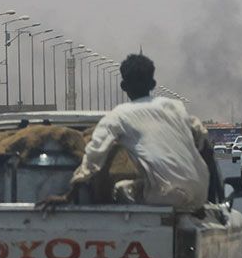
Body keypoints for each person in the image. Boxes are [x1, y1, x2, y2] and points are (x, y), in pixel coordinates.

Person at [46, 54, 210, 209]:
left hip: (165, 195)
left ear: (123, 86)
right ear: (153, 85)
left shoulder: (119, 115)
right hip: (201, 193)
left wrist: (68, 196)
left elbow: (94, 157)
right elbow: (203, 137)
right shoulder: (175, 106)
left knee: (121, 189)